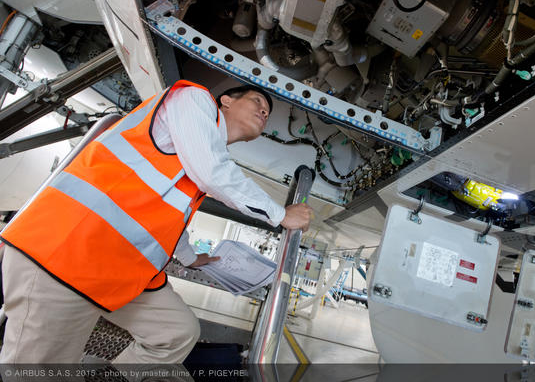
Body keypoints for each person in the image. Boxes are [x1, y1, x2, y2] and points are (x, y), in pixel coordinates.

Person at [0, 80, 312, 363]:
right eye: (258, 100)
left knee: (176, 334)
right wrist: (281, 214)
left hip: (116, 268)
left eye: (267, 112)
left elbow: (167, 211)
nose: (264, 110)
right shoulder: (194, 99)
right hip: (64, 254)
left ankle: (111, 374)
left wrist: (191, 257)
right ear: (226, 100)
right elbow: (213, 172)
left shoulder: (202, 154)